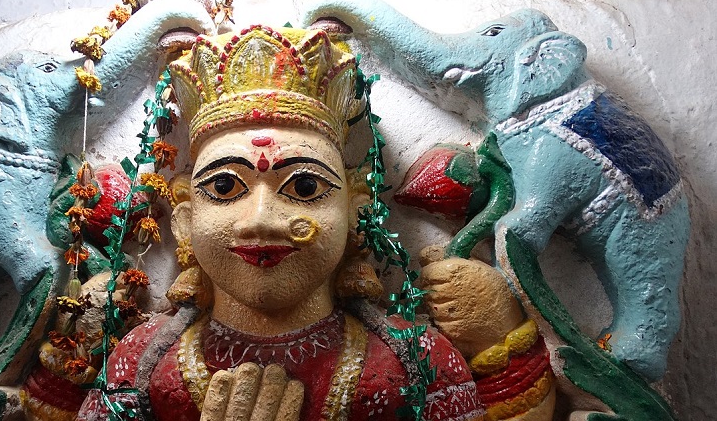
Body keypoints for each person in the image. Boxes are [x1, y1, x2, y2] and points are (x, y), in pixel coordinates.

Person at [78, 24, 484, 421]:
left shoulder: (418, 357)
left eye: (305, 187)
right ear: (184, 220)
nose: (261, 220)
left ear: (356, 213)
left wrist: (501, 338)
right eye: (224, 186)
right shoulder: (141, 361)